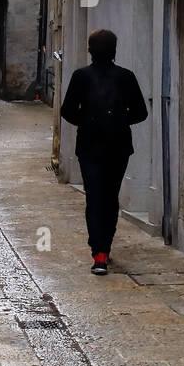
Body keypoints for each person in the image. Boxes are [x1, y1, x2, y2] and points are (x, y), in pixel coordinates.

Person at [60, 28, 148, 276]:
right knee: (110, 197)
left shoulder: (81, 76)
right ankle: (104, 247)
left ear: (90, 50)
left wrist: (87, 121)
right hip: (118, 145)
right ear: (114, 51)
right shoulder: (126, 77)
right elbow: (141, 112)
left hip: (89, 145)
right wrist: (119, 120)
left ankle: (99, 252)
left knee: (94, 197)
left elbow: (67, 110)